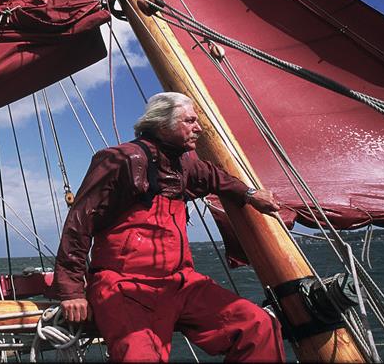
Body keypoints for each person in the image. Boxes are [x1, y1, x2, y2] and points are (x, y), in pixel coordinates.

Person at [52, 92, 285, 362]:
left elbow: (214, 177)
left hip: (180, 282)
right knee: (139, 359)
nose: (199, 128)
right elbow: (79, 223)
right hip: (124, 286)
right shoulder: (121, 160)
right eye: (190, 121)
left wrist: (249, 194)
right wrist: (71, 291)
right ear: (162, 124)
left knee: (258, 325)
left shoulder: (184, 164)